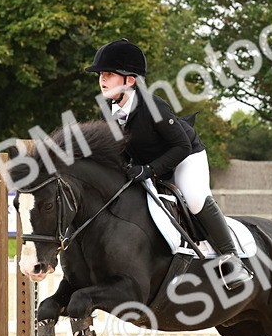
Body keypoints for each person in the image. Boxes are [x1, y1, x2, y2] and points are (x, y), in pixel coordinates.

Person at [85, 38, 252, 288]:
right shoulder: (107, 110)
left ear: (130, 80)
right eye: (101, 74)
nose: (102, 79)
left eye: (109, 74)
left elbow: (181, 146)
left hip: (185, 156)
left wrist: (150, 170)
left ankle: (232, 259)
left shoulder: (153, 106)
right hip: (147, 162)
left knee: (194, 198)